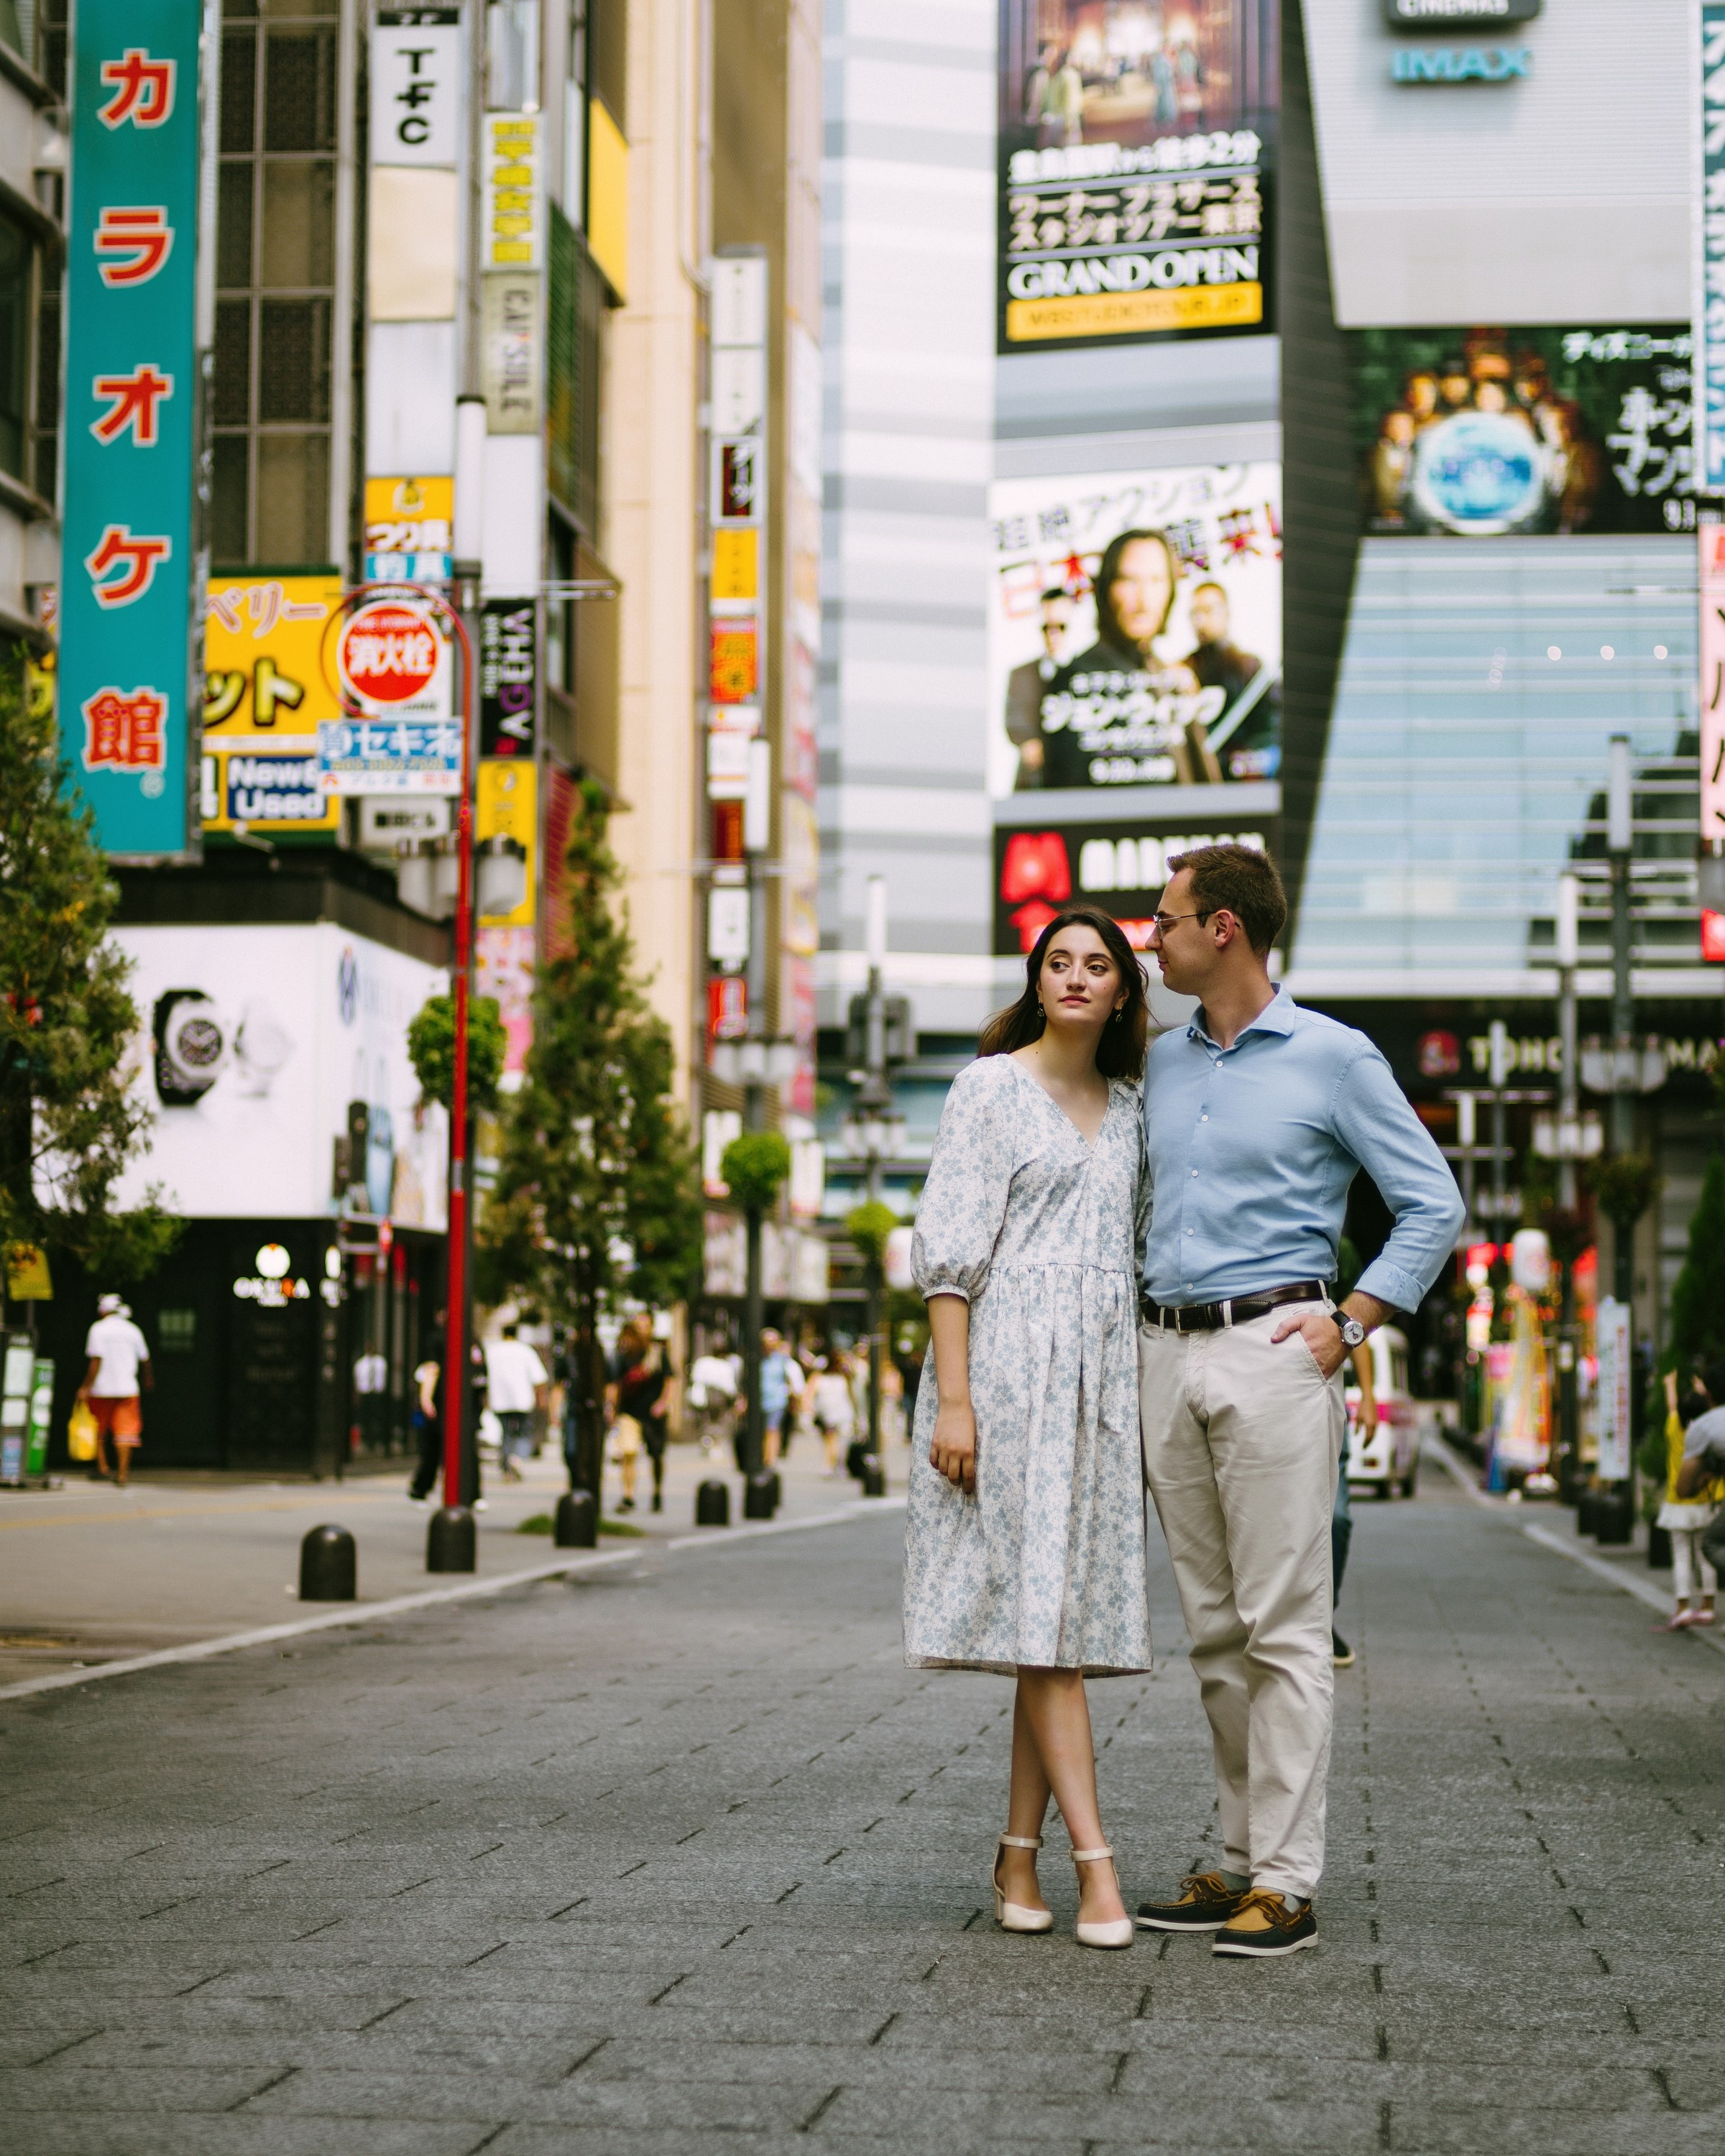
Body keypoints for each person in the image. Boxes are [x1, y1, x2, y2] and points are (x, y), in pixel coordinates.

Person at [1134, 844, 1463, 1958]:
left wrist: (1353, 1322)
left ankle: (1289, 1879)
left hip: (1279, 1350)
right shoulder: (1161, 1065)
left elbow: (1430, 1203)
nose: (1152, 936)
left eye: (1167, 919)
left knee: (1284, 1631)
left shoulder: (1335, 1058)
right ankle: (1238, 1863)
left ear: (1223, 928)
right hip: (1165, 1351)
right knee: (1214, 1634)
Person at [903, 903, 1151, 1952]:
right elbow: (952, 1253)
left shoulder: (1136, 1106)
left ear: (1126, 990)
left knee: (1052, 1628)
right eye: (1061, 962)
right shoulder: (989, 1088)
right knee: (1047, 1630)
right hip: (1006, 1376)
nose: (1079, 978)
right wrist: (955, 1401)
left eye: (1100, 965)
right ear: (1037, 978)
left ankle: (1017, 1856)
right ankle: (1098, 1869)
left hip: (1098, 1382)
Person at [1043, 529, 1210, 790]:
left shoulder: (1172, 676)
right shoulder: (1076, 678)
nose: (1143, 600)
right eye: (1129, 580)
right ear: (1106, 588)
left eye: (1156, 580)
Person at [1660, 1367, 1725, 1627]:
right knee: (1705, 1554)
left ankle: (1683, 1606)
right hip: (1704, 1505)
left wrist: (1669, 1385)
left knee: (1682, 1557)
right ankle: (1708, 1606)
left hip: (1678, 1506)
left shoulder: (1675, 1428)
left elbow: (1674, 1407)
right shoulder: (1709, 1427)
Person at [78, 1294, 152, 1488]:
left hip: (101, 1388)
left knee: (98, 1430)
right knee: (125, 1433)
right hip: (127, 1389)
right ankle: (122, 1474)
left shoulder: (98, 1329)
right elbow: (145, 1359)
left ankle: (102, 1467)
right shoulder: (133, 1330)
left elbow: (96, 1360)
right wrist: (148, 1380)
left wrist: (85, 1386)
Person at [1003, 587, 1072, 791]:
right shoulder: (1021, 674)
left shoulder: (1086, 673)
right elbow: (1014, 719)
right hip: (1033, 780)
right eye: (1046, 628)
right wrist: (1028, 743)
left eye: (1061, 627)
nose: (1053, 635)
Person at [609, 1317, 670, 1512]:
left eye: (646, 1326)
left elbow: (671, 1381)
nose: (642, 1331)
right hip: (629, 1411)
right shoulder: (625, 1354)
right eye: (638, 1327)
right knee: (628, 1452)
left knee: (656, 1455)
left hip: (653, 1414)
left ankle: (657, 1491)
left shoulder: (658, 1353)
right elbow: (616, 1383)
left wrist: (663, 1403)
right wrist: (612, 1407)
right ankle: (628, 1496)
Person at [486, 1322, 549, 1482]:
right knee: (523, 1431)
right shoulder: (525, 1350)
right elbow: (539, 1377)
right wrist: (541, 1398)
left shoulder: (493, 1351)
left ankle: (507, 1467)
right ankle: (517, 1458)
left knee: (505, 1434)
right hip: (522, 1399)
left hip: (499, 1399)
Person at [758, 1329, 804, 1468]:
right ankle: (762, 1455)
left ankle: (770, 1459)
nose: (770, 1345)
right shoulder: (757, 1359)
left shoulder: (782, 1360)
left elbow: (791, 1379)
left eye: (773, 1342)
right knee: (761, 1431)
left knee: (772, 1429)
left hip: (777, 1400)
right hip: (759, 1400)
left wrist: (795, 1399)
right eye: (767, 1342)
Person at [811, 1348, 857, 1477]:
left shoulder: (842, 1376)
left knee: (832, 1440)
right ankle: (834, 1464)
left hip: (835, 1412)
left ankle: (832, 1464)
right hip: (835, 1413)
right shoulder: (841, 1377)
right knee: (836, 1440)